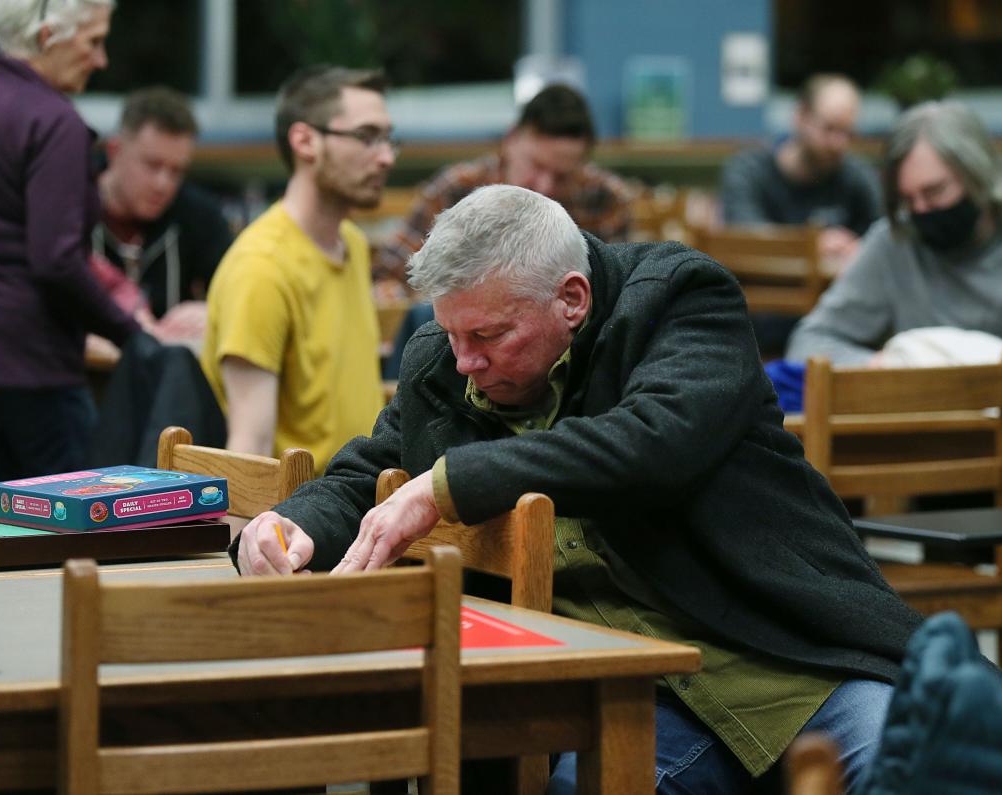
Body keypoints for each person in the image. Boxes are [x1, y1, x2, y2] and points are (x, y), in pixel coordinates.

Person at [233, 184, 923, 792]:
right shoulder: (442, 364)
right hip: (626, 696)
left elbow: (655, 441)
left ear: (572, 297)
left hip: (781, 652)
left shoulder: (680, 299)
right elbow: (368, 469)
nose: (466, 362)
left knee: (919, 767)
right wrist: (291, 527)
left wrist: (446, 485)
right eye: (450, 333)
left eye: (489, 334)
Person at [785, 101, 1002, 662]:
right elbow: (813, 342)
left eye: (937, 194)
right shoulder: (897, 240)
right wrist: (882, 365)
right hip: (950, 450)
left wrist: (971, 370)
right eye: (910, 200)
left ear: (980, 176)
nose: (922, 210)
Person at [0, 0, 138, 484]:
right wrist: (130, 334)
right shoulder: (54, 121)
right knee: (79, 518)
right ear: (46, 37)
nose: (102, 60)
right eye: (93, 41)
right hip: (26, 361)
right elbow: (56, 260)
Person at [200, 65, 391, 468]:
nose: (386, 157)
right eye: (366, 136)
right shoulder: (262, 267)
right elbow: (249, 446)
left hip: (364, 503)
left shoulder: (351, 242)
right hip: (300, 521)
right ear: (305, 141)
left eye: (388, 138)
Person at [372, 83, 634, 292]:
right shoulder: (458, 189)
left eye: (562, 176)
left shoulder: (606, 199)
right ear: (510, 140)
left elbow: (617, 294)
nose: (545, 187)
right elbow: (391, 274)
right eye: (536, 166)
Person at [94, 85, 233, 321]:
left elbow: (236, 298)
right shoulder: (68, 206)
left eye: (177, 171)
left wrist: (212, 314)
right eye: (152, 165)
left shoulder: (200, 215)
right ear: (114, 151)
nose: (163, 184)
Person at [721, 74, 880, 265]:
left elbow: (885, 237)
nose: (839, 143)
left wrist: (859, 248)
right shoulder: (748, 170)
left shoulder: (858, 175)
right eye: (829, 129)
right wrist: (810, 245)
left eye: (848, 132)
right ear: (800, 116)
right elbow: (743, 236)